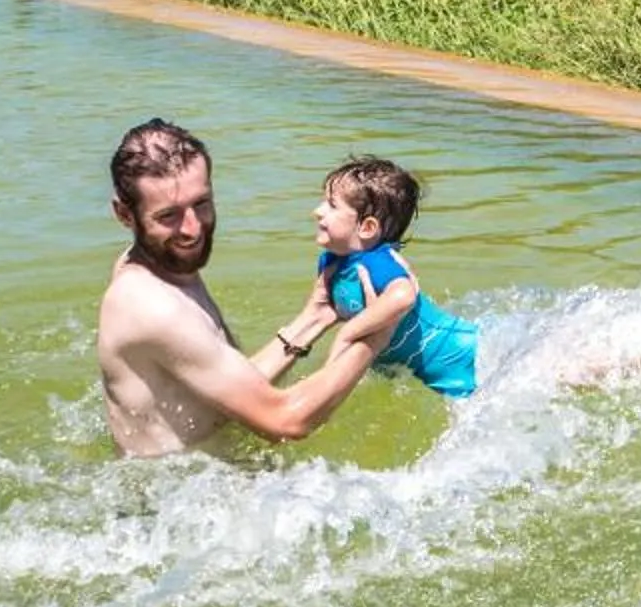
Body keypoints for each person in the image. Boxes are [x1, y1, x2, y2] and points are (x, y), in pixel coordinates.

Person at [96, 118, 390, 457]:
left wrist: (316, 316)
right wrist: (374, 336)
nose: (193, 229)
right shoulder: (149, 304)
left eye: (201, 204)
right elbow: (284, 421)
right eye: (168, 216)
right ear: (124, 215)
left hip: (200, 483)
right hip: (174, 502)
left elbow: (225, 385)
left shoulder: (165, 265)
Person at [313, 155, 483, 398]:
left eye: (332, 205)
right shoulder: (331, 262)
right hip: (427, 370)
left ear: (367, 227)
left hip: (465, 356)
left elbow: (403, 296)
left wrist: (347, 334)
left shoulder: (375, 261)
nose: (317, 211)